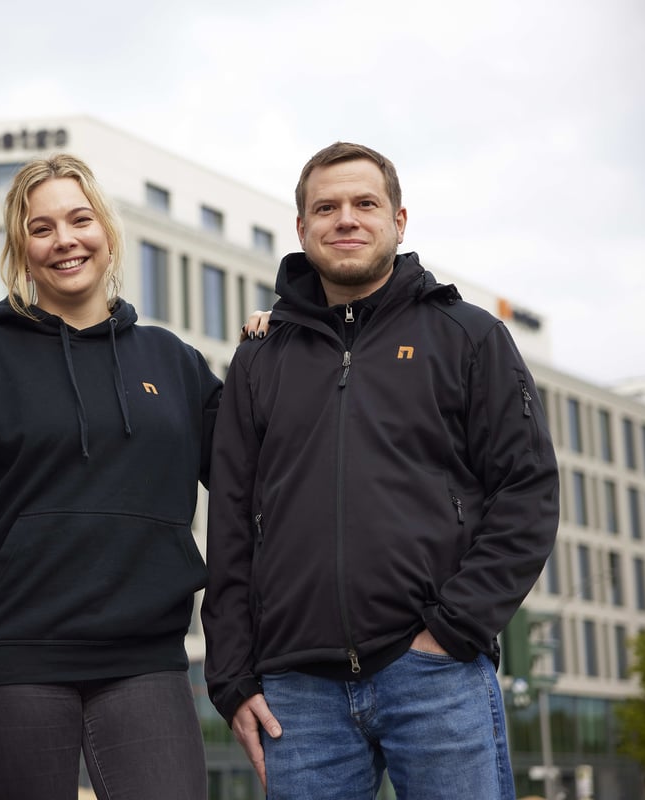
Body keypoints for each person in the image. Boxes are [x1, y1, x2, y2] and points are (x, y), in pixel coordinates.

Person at [201, 141, 559, 799]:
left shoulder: (468, 336)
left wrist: (452, 629)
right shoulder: (259, 359)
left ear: (398, 220)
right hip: (294, 691)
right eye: (326, 207)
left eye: (365, 203)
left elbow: (526, 491)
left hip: (435, 673)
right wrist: (231, 678)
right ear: (302, 228)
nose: (346, 219)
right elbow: (229, 524)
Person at [0, 154, 227, 800]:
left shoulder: (174, 362)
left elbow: (254, 476)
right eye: (41, 228)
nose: (64, 240)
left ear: (107, 231)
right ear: (21, 248)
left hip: (145, 656)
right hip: (13, 658)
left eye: (79, 219)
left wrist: (276, 345)